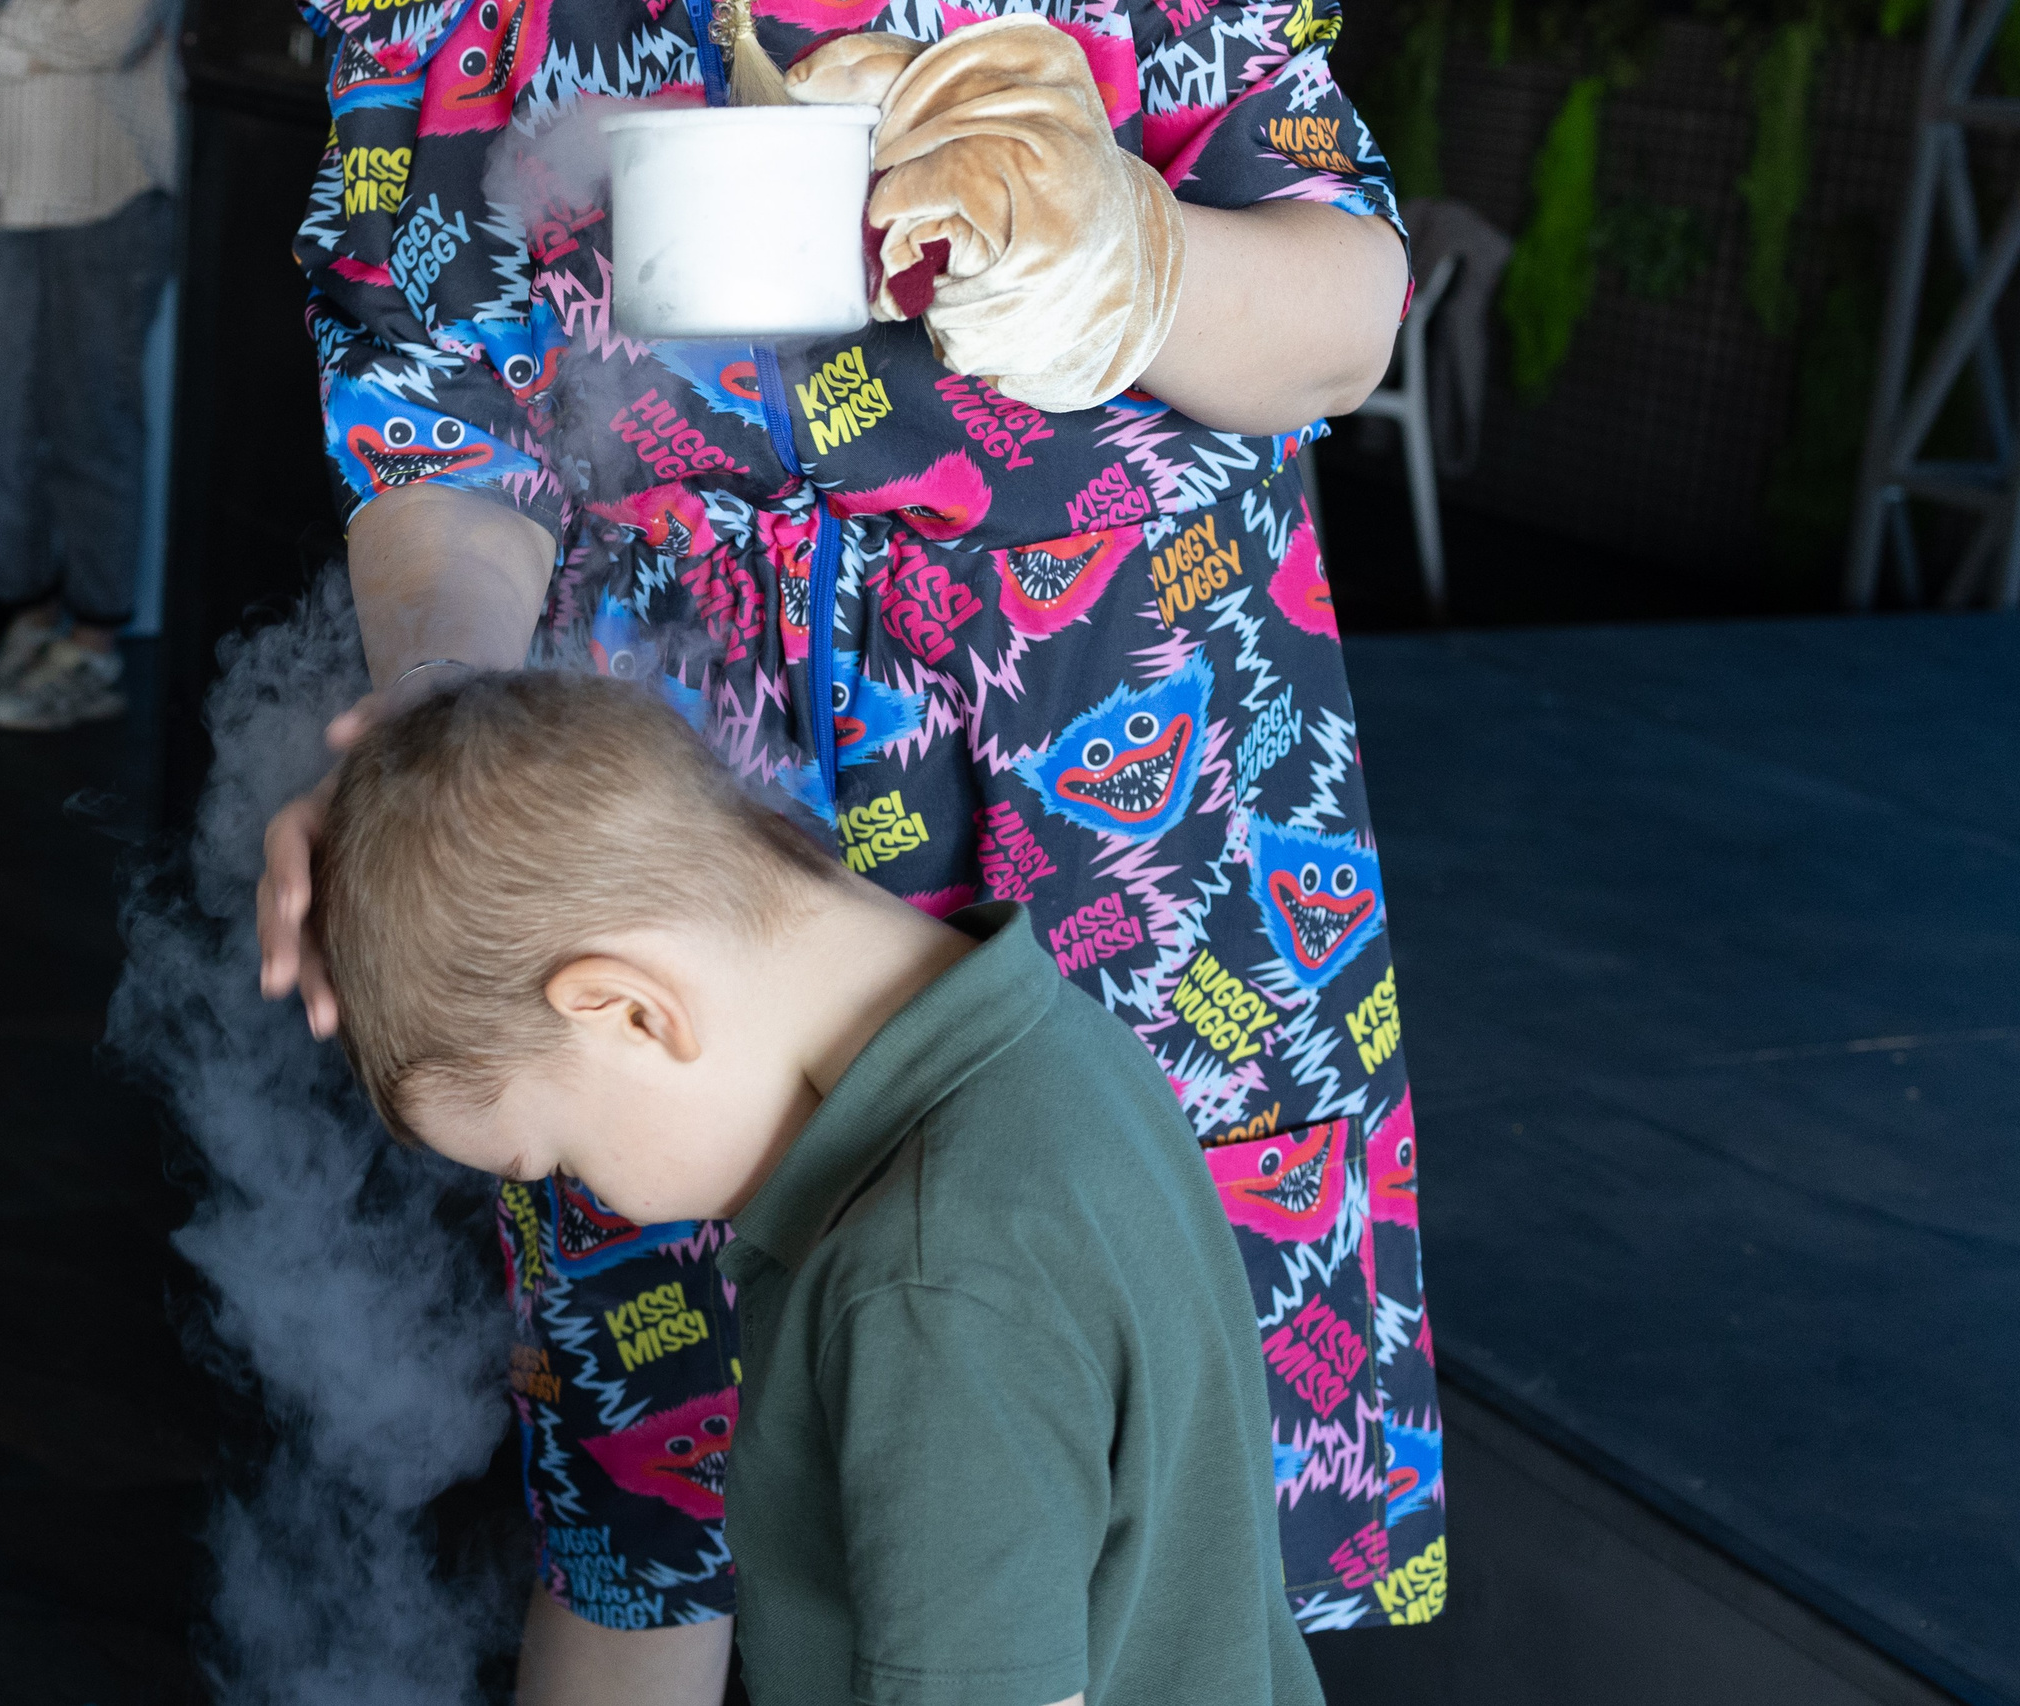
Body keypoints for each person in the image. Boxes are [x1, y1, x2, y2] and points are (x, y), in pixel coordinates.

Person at [262, 0, 1446, 1695]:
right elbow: (443, 419)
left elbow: (1340, 315)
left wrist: (1150, 261)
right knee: (652, 1488)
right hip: (670, 797)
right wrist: (446, 740)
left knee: (1132, 1475)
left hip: (1124, 773)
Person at [318, 669, 1322, 1706]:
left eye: (563, 1160)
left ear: (631, 1011)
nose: (600, 1200)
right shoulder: (1054, 1053)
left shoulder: (923, 1285)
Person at [0, 0, 177, 732]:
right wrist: (26, 37)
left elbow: (106, 34)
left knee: (90, 417)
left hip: (110, 181)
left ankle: (93, 645)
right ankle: (33, 618)